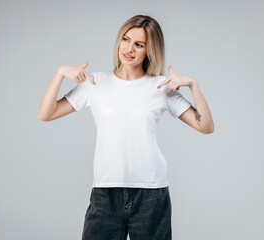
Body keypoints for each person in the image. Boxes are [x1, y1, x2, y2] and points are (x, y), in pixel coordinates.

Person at [38, 14, 214, 240]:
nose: (129, 48)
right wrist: (60, 73)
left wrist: (193, 85)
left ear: (149, 51)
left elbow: (206, 126)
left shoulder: (160, 87)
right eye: (126, 39)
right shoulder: (95, 83)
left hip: (151, 192)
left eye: (139, 44)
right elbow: (46, 113)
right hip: (105, 190)